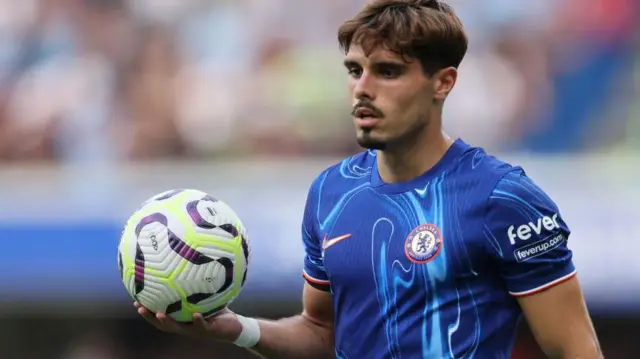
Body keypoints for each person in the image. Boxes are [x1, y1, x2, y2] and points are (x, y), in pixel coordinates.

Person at [135, 0, 603, 357]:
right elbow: (321, 331)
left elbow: (576, 349)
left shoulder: (503, 198)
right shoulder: (330, 193)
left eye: (388, 72)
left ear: (443, 82)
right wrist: (235, 328)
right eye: (355, 71)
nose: (363, 87)